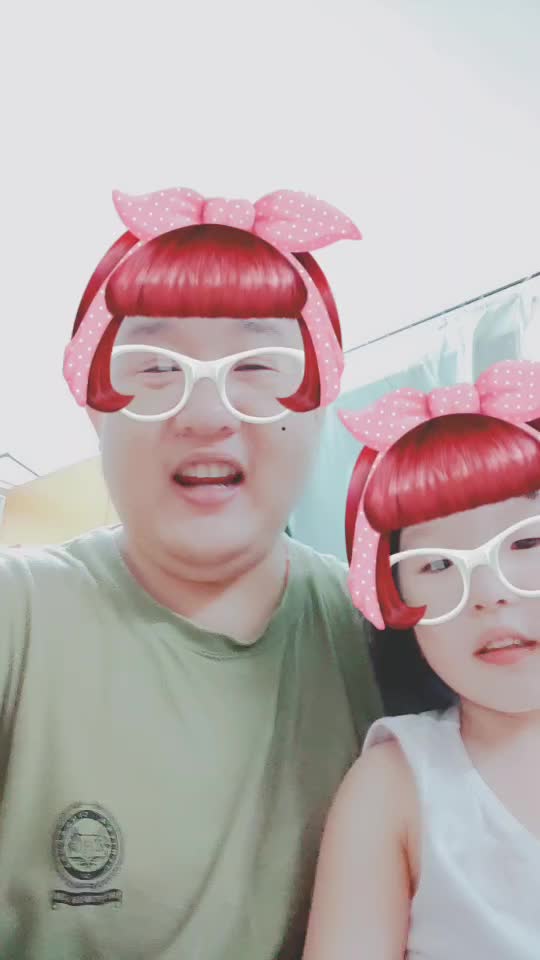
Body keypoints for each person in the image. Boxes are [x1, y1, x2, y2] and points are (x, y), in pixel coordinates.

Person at [0, 186, 382, 960]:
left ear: (318, 405)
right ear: (94, 406)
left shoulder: (392, 635)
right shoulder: (19, 618)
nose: (206, 414)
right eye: (153, 366)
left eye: (258, 365)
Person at [302, 361, 540, 960]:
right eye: (437, 565)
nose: (489, 591)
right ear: (393, 596)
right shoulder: (392, 790)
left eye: (527, 541)